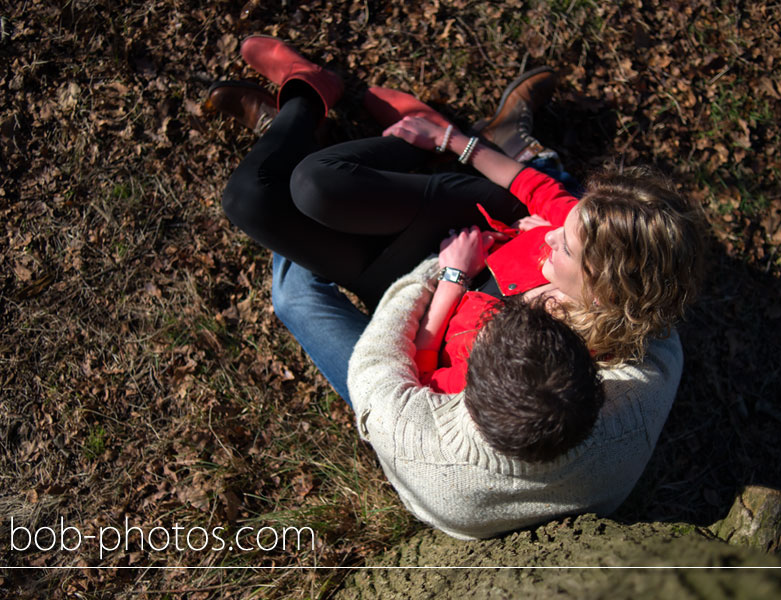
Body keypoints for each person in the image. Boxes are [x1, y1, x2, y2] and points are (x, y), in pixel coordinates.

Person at [212, 36, 705, 538]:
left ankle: (297, 115)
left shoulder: (527, 373)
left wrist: (449, 275)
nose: (547, 229)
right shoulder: (593, 272)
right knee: (312, 187)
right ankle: (478, 140)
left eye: (567, 246)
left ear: (600, 290)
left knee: (261, 217)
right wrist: (452, 140)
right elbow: (551, 202)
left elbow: (411, 364)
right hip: (466, 240)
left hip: (423, 295)